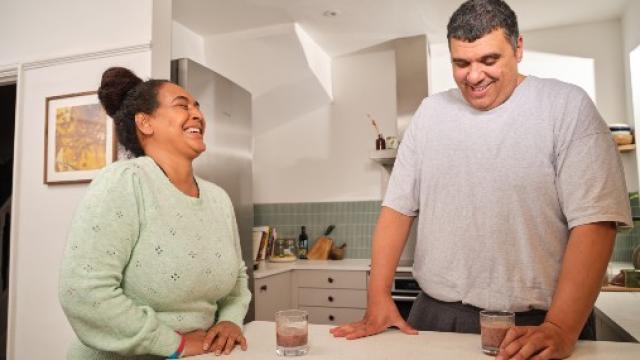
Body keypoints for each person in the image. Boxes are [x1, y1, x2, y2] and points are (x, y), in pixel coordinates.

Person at [330, 1, 632, 359]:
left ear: (518, 48)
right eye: (461, 63)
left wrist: (561, 326)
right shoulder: (430, 114)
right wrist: (378, 296)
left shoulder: (566, 106)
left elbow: (595, 222)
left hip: (539, 323)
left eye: (489, 60)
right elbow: (397, 209)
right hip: (435, 315)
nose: (473, 77)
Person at [59, 67, 252, 359]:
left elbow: (237, 281)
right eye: (182, 106)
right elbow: (84, 293)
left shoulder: (218, 198)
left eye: (198, 107)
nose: (197, 114)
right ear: (145, 123)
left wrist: (229, 320)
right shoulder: (125, 182)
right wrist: (175, 344)